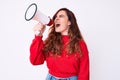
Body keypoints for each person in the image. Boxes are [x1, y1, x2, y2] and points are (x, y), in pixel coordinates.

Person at [29, 8, 89, 80]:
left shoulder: (80, 44)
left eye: (61, 16)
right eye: (55, 17)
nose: (56, 19)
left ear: (69, 22)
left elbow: (84, 72)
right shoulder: (50, 42)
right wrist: (38, 35)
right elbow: (35, 61)